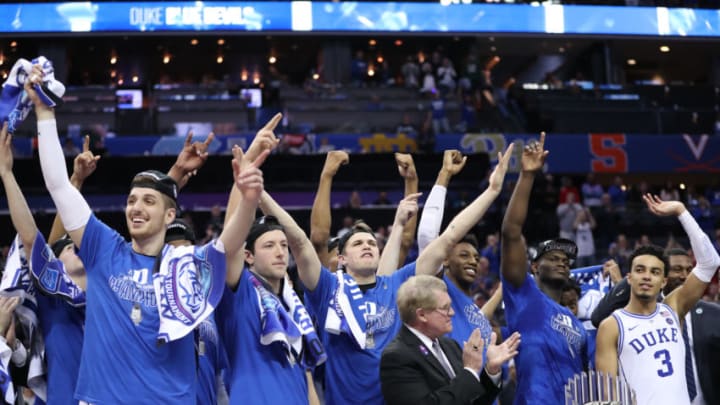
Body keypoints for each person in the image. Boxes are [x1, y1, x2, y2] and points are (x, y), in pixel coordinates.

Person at [28, 65, 261, 403]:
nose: (136, 207)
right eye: (131, 200)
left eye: (148, 201)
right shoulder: (103, 248)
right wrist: (44, 111)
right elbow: (59, 186)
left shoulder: (185, 264)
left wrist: (250, 199)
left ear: (170, 215)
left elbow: (230, 241)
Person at [304, 144, 513, 405]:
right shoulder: (331, 291)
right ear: (342, 259)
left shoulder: (394, 284)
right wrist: (326, 176)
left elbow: (447, 238)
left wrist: (492, 191)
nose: (367, 245)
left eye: (371, 242)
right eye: (357, 243)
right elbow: (315, 240)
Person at [215, 119, 326, 404]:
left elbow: (305, 373)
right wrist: (248, 166)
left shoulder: (291, 303)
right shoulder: (239, 293)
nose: (280, 252)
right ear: (249, 256)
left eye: (282, 245)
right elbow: (231, 241)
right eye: (269, 246)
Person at [593, 195, 720, 405]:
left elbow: (710, 262)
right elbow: (609, 396)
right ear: (629, 277)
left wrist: (681, 211)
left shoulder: (673, 308)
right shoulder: (613, 325)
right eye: (640, 270)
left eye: (655, 272)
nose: (646, 276)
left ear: (663, 281)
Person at [500, 133, 588, 405]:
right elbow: (511, 232)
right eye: (554, 257)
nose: (563, 261)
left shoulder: (578, 325)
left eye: (566, 260)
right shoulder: (522, 293)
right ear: (535, 266)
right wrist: (527, 176)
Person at [379, 275, 521, 405]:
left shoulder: (450, 345)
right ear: (422, 314)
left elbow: (473, 401)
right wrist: (470, 371)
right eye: (445, 308)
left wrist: (491, 370)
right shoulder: (396, 357)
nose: (452, 313)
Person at [165, 219, 229, 405]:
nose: (178, 254)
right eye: (171, 249)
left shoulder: (212, 301)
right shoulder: (155, 304)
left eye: (184, 248)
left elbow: (220, 374)